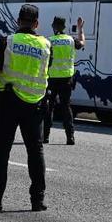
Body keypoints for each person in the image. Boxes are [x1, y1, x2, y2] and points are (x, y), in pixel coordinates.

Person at [0, 3, 52, 213]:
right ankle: (37, 200)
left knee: (1, 152)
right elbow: (47, 72)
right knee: (35, 151)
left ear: (18, 21)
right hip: (35, 103)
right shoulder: (46, 45)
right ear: (36, 24)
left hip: (9, 101)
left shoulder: (8, 41)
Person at [43, 15, 85, 145]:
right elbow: (82, 42)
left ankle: (45, 137)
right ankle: (70, 137)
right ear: (64, 27)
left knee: (49, 107)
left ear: (54, 27)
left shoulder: (49, 41)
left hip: (51, 79)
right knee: (66, 107)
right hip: (67, 79)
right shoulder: (71, 40)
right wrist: (80, 29)